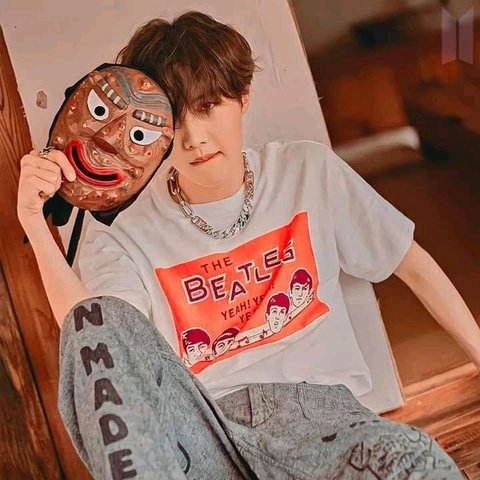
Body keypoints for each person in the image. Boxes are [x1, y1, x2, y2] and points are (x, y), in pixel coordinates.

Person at [17, 9, 478, 480]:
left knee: (412, 459)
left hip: (327, 426)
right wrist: (34, 221)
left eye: (208, 106)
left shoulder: (306, 172)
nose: (194, 138)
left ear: (242, 97)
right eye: (174, 119)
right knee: (100, 319)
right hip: (205, 439)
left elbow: (411, 262)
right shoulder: (123, 230)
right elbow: (98, 344)